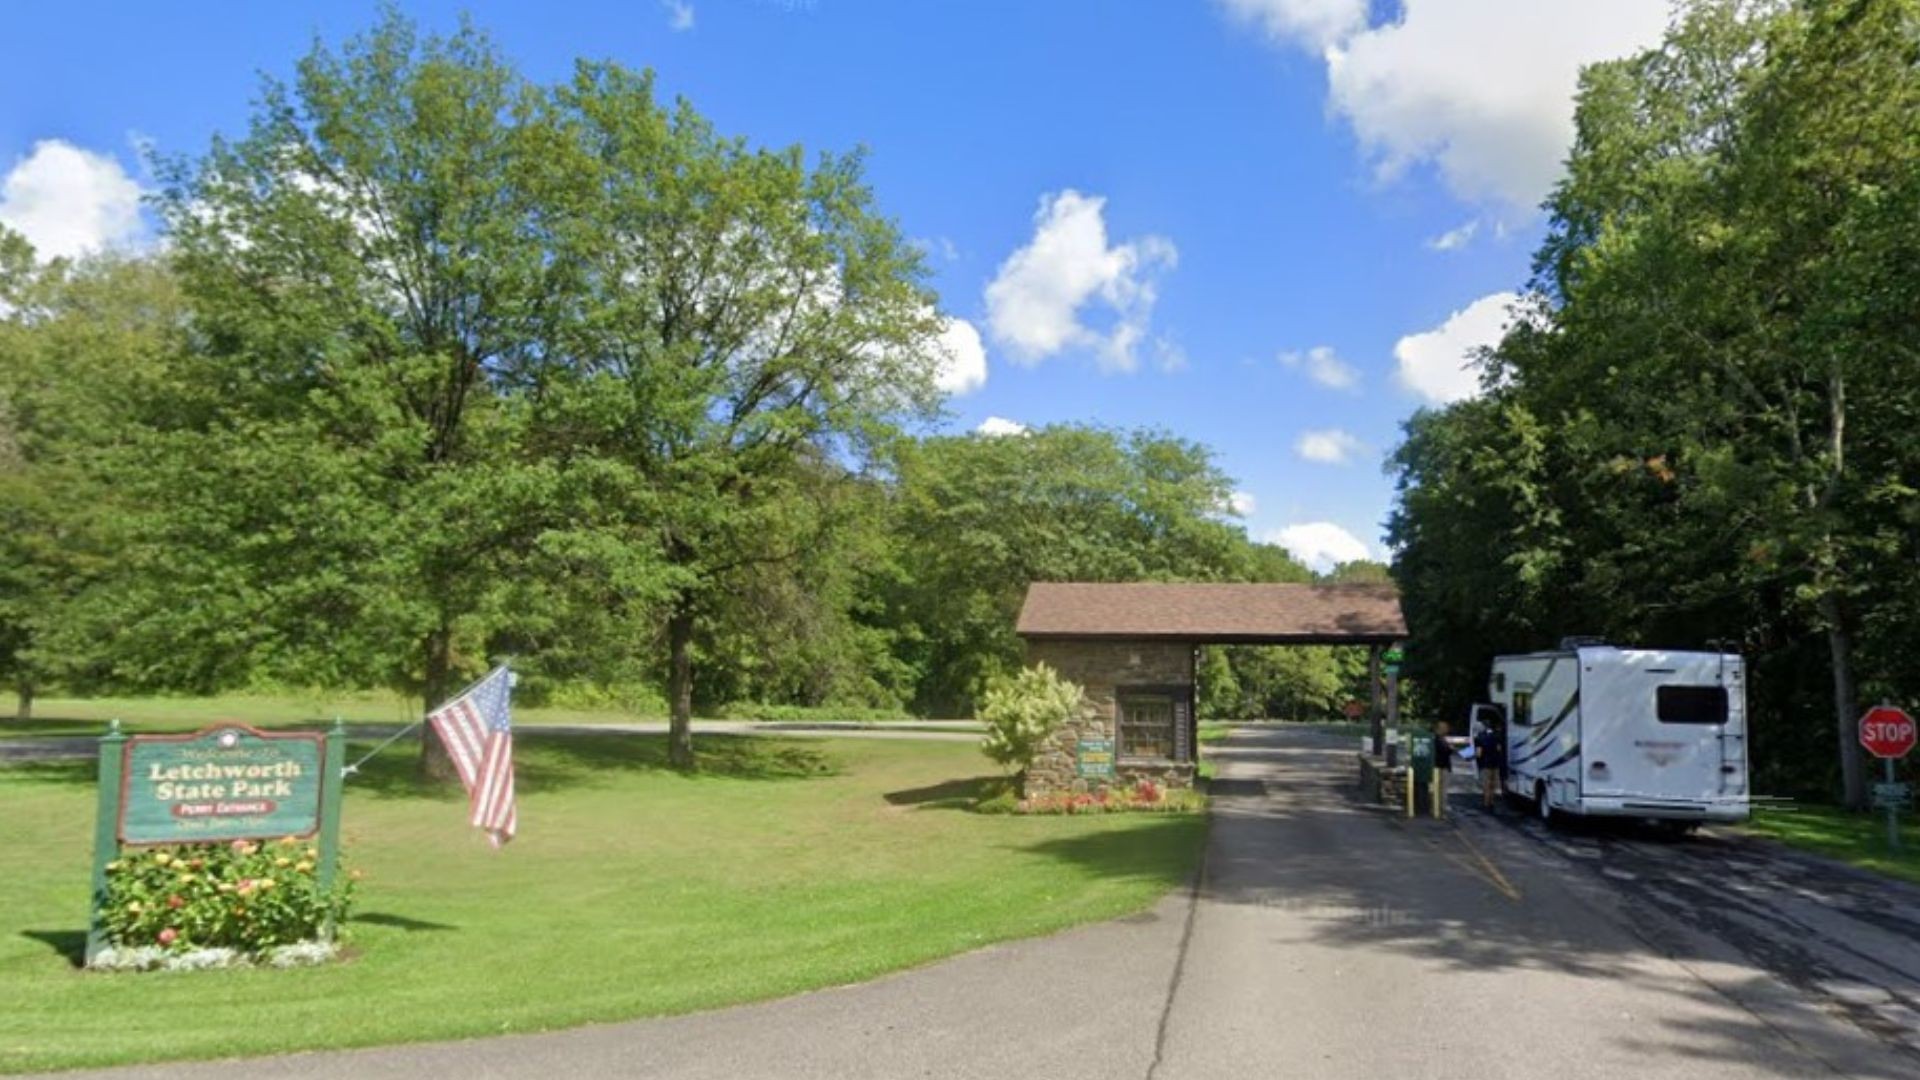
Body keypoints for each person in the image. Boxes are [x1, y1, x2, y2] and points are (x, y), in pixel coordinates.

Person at [1473, 720, 1505, 809]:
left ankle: (1486, 803)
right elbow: (1499, 750)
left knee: (1486, 784)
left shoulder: (1479, 738)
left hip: (1485, 764)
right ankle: (1491, 802)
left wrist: (1471, 757)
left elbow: (1479, 753)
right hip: (1495, 764)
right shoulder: (1496, 736)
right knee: (1493, 784)